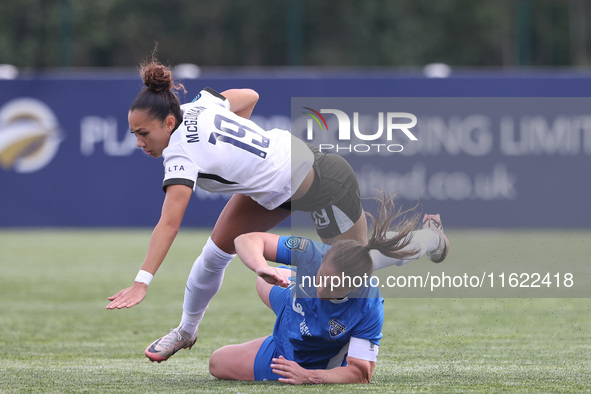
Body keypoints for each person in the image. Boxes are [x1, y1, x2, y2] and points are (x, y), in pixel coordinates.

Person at [106, 55, 450, 363]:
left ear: (168, 123)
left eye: (143, 133)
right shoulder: (199, 105)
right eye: (134, 133)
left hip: (324, 182)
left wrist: (142, 282)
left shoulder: (179, 154)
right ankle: (185, 331)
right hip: (280, 183)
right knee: (213, 254)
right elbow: (249, 96)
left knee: (355, 267)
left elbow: (169, 224)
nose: (139, 142)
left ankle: (429, 239)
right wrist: (241, 157)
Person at [208, 193, 449, 384]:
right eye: (321, 276)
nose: (320, 287)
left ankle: (433, 238)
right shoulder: (312, 253)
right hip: (295, 307)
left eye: (331, 284)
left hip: (312, 360)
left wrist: (308, 376)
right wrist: (261, 266)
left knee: (382, 254)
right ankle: (432, 237)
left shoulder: (368, 305)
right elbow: (245, 239)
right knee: (264, 280)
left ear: (352, 286)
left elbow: (362, 373)